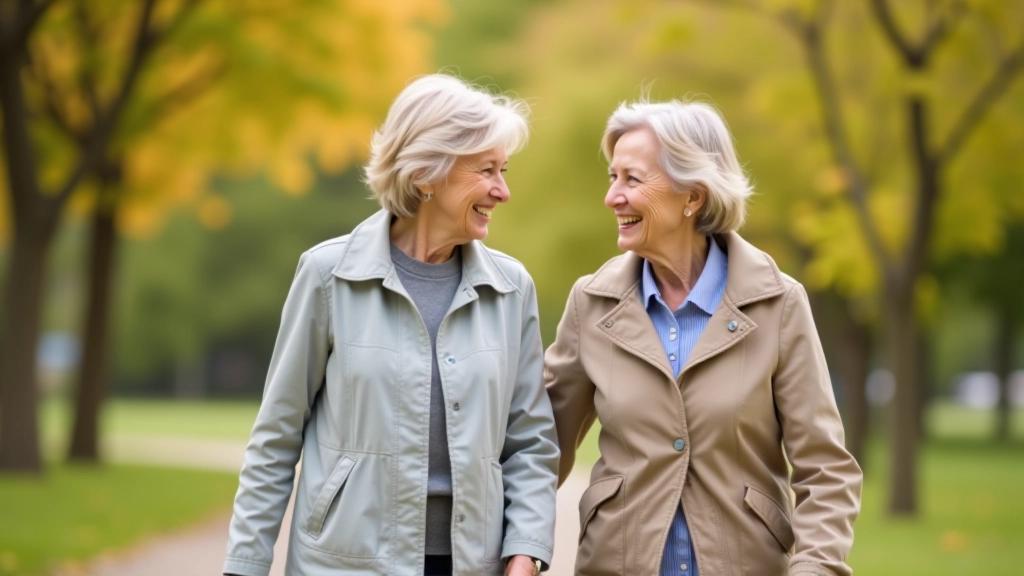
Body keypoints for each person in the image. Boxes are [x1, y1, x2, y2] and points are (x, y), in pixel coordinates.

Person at [224, 74, 558, 576]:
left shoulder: (512, 289)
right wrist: (244, 565)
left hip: (472, 565)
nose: (502, 190)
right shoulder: (328, 275)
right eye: (487, 170)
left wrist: (526, 553)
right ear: (428, 170)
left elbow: (531, 442)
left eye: (503, 170)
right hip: (343, 564)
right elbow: (276, 437)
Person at [543, 99, 862, 576]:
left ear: (692, 196)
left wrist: (815, 568)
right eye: (613, 178)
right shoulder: (592, 302)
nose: (613, 197)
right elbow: (541, 449)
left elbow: (827, 470)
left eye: (632, 179)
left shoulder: (779, 303)